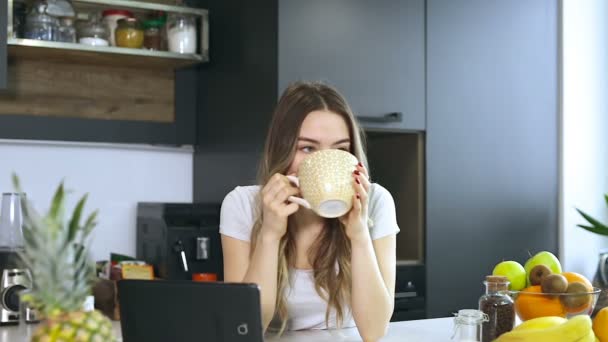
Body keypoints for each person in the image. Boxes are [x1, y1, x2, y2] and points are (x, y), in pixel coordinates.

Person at [219, 81, 399, 341]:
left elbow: (374, 332)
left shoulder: (376, 201)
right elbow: (243, 327)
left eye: (340, 149)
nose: (323, 161)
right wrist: (270, 234)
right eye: (307, 148)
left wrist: (359, 234)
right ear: (282, 148)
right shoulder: (242, 204)